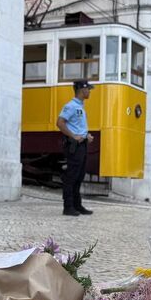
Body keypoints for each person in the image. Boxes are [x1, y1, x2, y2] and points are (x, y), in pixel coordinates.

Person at [57, 80, 95, 216]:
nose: (89, 92)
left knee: (79, 176)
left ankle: (77, 205)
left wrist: (86, 135)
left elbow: (78, 127)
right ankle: (68, 207)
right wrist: (73, 136)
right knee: (71, 176)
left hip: (82, 145)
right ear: (82, 90)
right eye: (88, 89)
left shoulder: (81, 107)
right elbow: (60, 123)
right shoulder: (71, 106)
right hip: (74, 146)